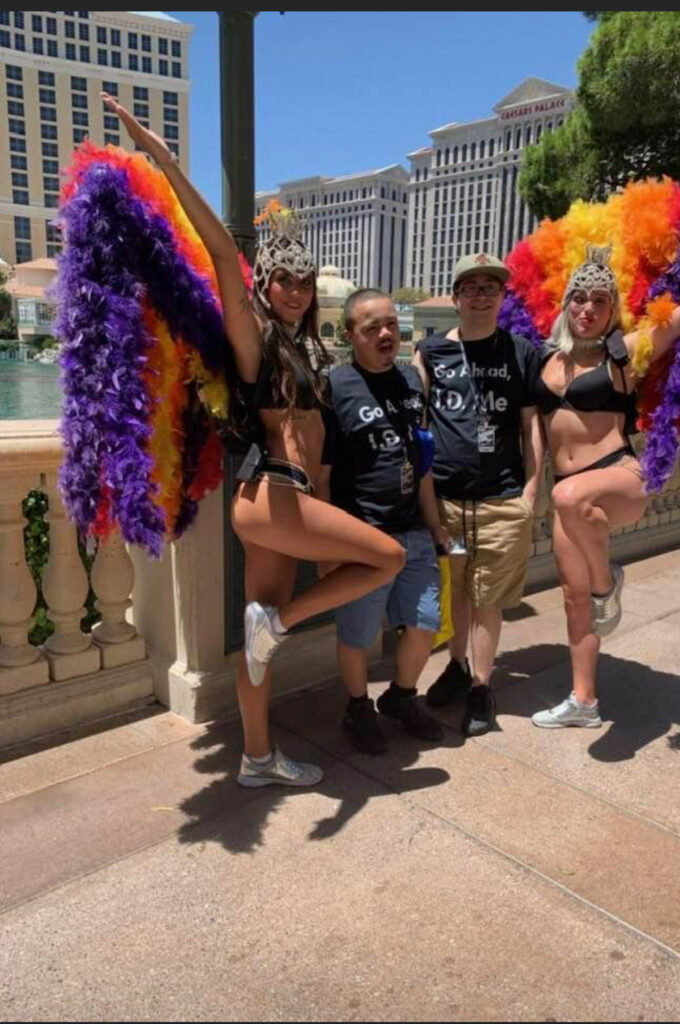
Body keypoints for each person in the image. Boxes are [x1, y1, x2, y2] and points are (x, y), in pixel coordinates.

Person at [103, 95, 405, 787]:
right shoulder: (256, 338)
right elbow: (218, 250)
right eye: (283, 280)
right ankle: (284, 627)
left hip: (290, 502)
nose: (295, 291)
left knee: (260, 637)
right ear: (263, 285)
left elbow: (320, 448)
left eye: (304, 281)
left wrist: (325, 509)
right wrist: (162, 155)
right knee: (385, 557)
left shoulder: (312, 353)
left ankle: (257, 759)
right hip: (265, 492)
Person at [530, 241, 680, 729]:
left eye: (599, 301)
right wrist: (529, 486)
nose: (587, 308)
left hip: (620, 476)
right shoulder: (545, 361)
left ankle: (608, 583)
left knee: (569, 498)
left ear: (612, 310)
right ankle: (585, 701)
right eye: (579, 298)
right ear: (565, 303)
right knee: (573, 599)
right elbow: (531, 430)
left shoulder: (624, 353)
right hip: (567, 494)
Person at [413, 254, 544, 737]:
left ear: (502, 297)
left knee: (488, 598)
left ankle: (481, 688)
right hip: (446, 500)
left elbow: (532, 423)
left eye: (491, 287)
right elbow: (418, 422)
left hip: (500, 500)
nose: (481, 295)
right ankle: (457, 666)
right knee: (458, 595)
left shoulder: (522, 353)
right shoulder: (429, 353)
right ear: (456, 297)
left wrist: (531, 489)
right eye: (471, 287)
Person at [319, 289, 450, 753]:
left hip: (413, 531)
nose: (385, 333)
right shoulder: (335, 386)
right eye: (372, 327)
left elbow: (424, 464)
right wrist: (326, 547)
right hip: (363, 537)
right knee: (358, 632)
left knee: (425, 623)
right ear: (352, 334)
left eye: (391, 324)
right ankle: (358, 708)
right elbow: (323, 476)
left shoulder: (412, 384)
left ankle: (401, 697)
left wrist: (435, 526)